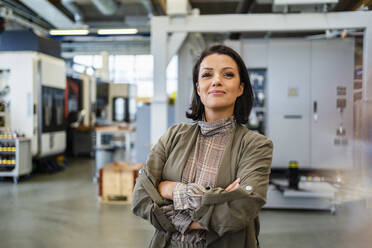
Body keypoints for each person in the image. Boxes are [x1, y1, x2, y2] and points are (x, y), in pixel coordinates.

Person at [131, 44, 273, 248]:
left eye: (228, 74)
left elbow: (241, 210)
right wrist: (219, 198)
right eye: (207, 75)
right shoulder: (174, 136)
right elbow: (141, 198)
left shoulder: (256, 146)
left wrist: (172, 189)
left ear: (240, 88)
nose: (216, 81)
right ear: (198, 88)